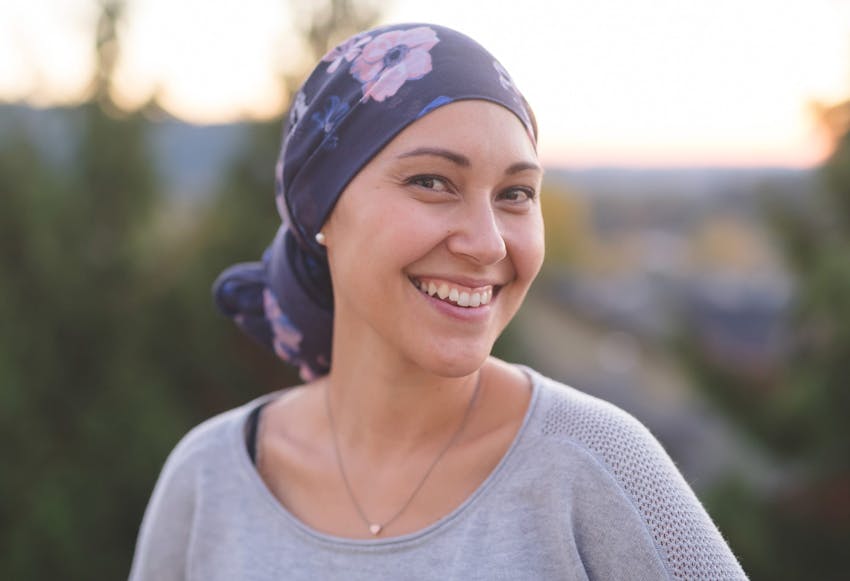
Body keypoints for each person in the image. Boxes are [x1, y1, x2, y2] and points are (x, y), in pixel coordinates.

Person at [129, 23, 747, 580]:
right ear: (323, 212)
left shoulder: (597, 464)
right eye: (431, 182)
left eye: (516, 193)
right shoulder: (209, 479)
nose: (486, 243)